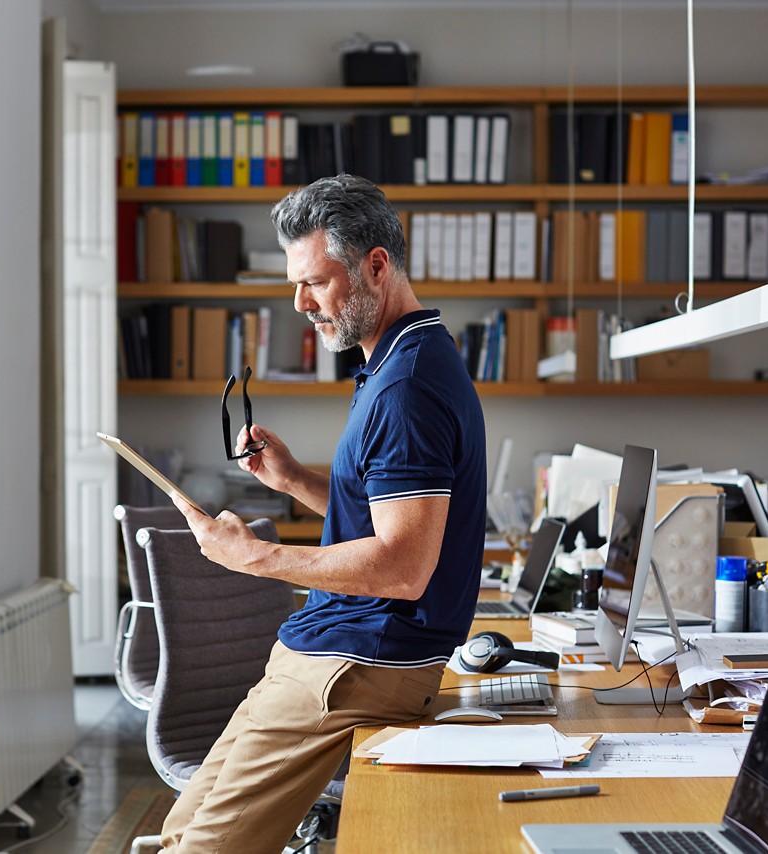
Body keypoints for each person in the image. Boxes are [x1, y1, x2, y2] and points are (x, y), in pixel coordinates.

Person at [161, 174, 487, 853]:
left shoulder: (407, 388)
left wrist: (253, 556)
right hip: (331, 647)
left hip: (360, 659)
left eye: (315, 282)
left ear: (376, 265)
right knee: (180, 830)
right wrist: (295, 480)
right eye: (293, 284)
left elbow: (401, 568)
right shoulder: (396, 357)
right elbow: (384, 515)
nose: (301, 304)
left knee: (203, 849)